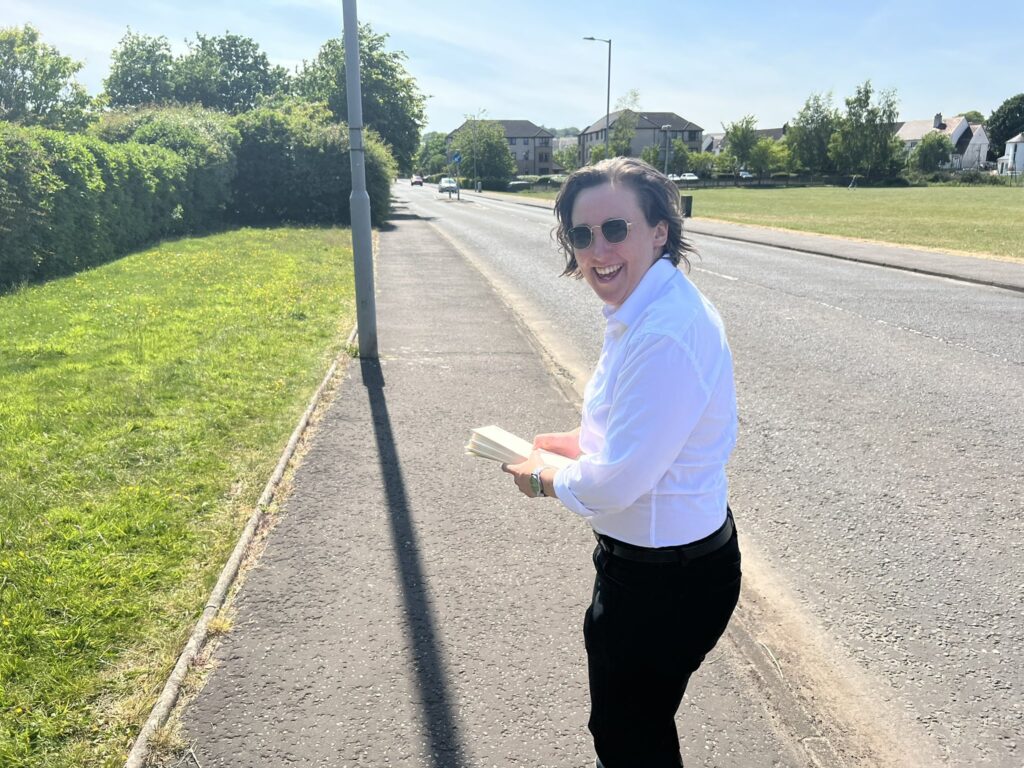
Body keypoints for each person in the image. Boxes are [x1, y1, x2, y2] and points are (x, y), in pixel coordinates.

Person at [502, 157, 741, 767]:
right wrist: (572, 442)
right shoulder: (645, 311)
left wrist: (542, 476)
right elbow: (635, 438)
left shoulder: (662, 331)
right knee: (635, 725)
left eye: (616, 229)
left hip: (664, 583)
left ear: (660, 230)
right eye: (581, 235)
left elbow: (618, 483)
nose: (596, 249)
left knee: (629, 736)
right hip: (666, 568)